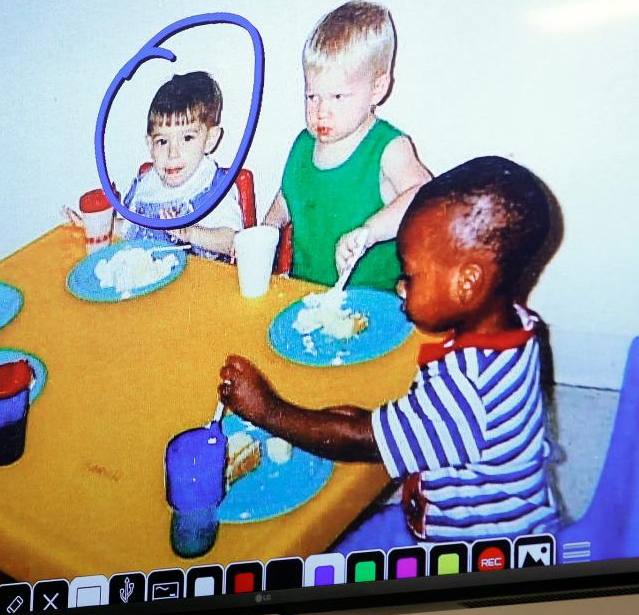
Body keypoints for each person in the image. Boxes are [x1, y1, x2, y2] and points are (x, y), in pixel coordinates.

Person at [219, 157, 559, 544]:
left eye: (410, 276)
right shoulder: (516, 326)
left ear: (467, 284)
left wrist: (266, 410)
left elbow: (362, 441)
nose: (400, 286)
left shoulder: (465, 391)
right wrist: (365, 419)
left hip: (475, 552)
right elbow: (420, 423)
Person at [263, 0, 432, 290]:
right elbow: (289, 196)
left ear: (377, 89)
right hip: (307, 294)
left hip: (374, 305)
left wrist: (371, 231)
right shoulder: (303, 145)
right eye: (312, 96)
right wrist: (267, 229)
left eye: (338, 97)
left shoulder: (387, 147)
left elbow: (426, 194)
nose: (321, 111)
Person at [65, 71, 243, 262]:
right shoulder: (146, 186)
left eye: (187, 138)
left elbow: (234, 242)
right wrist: (96, 225)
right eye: (162, 141)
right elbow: (130, 229)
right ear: (150, 145)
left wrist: (191, 233)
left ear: (210, 139)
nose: (172, 153)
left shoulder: (214, 187)